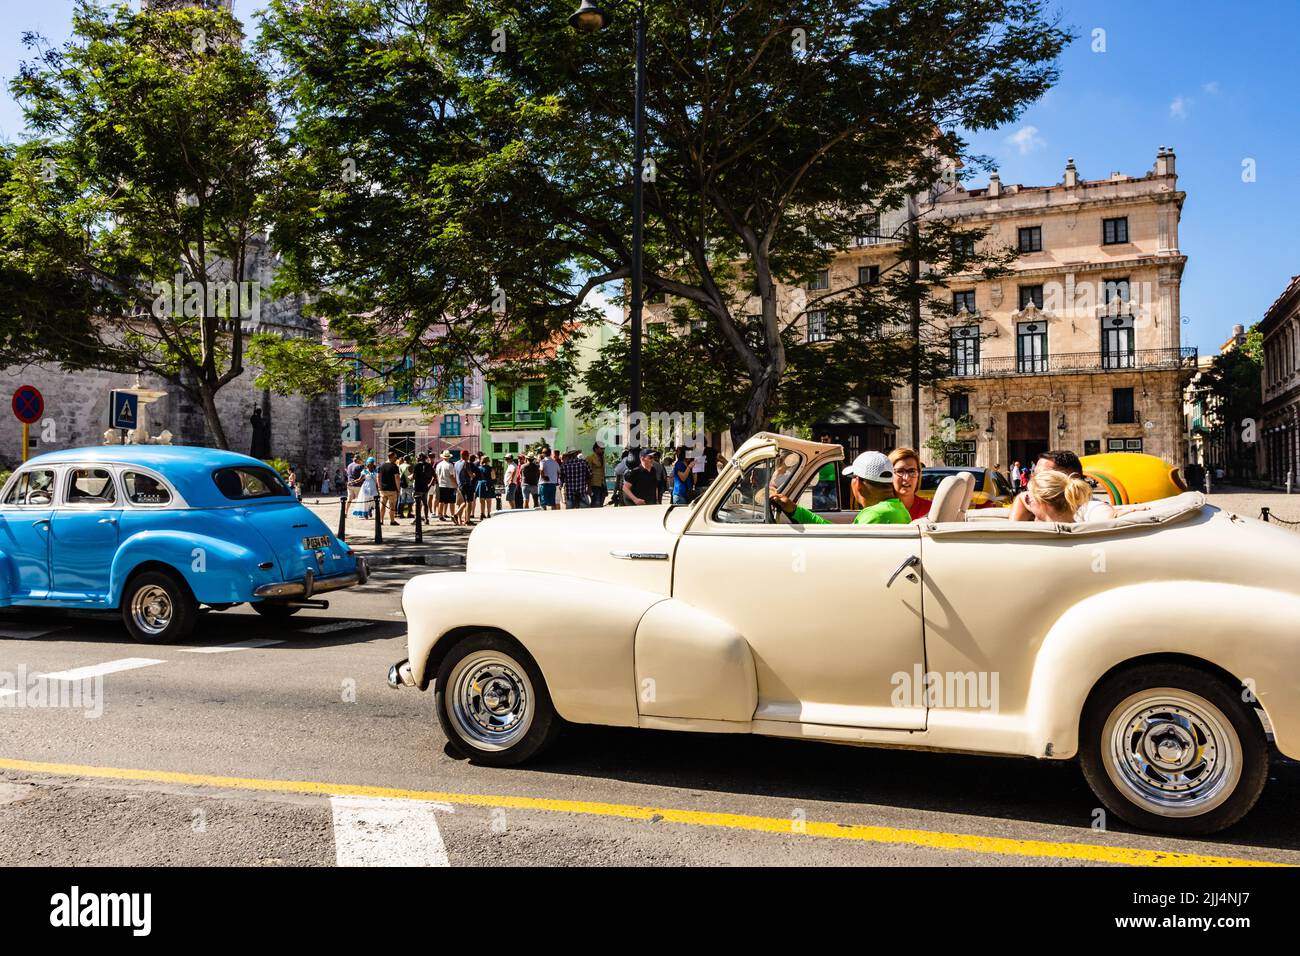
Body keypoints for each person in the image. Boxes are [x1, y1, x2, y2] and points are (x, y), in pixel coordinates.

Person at [770, 450, 910, 525]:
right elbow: (842, 535)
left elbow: (845, 545)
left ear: (858, 482)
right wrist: (795, 510)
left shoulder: (875, 515)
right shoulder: (899, 509)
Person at [1010, 449, 1115, 523]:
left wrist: (1114, 516)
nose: (1034, 479)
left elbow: (1102, 514)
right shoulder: (1037, 503)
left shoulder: (1087, 507)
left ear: (1071, 478)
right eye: (1034, 474)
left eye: (1044, 476)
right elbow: (1022, 497)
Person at [1023, 470, 1094, 524]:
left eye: (1028, 498)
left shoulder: (1031, 538)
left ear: (1043, 502)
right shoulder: (1089, 533)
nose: (1026, 500)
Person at [889, 447, 930, 520]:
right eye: (900, 471)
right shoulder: (879, 511)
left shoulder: (931, 510)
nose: (906, 478)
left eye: (912, 471)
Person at [377, 451, 401, 525]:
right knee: (392, 505)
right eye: (395, 457)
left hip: (383, 489)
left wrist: (379, 486)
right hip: (392, 489)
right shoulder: (394, 466)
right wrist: (398, 488)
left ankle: (381, 520)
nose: (396, 458)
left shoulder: (381, 466)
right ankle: (392, 521)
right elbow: (397, 478)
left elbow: (378, 477)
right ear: (392, 457)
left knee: (382, 505)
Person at [435, 450, 458, 523]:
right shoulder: (450, 465)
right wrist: (456, 484)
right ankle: (452, 515)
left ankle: (440, 515)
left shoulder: (439, 465)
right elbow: (451, 476)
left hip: (441, 484)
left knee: (441, 501)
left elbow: (436, 475)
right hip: (449, 485)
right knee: (451, 502)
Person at [585, 442, 607, 508]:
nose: (603, 450)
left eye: (603, 449)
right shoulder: (590, 458)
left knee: (601, 503)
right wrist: (589, 487)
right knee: (596, 503)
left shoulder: (602, 458)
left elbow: (603, 472)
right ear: (596, 449)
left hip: (602, 483)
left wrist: (605, 485)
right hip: (594, 484)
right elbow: (588, 473)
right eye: (601, 449)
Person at [414, 453, 433, 521]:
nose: (416, 458)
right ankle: (426, 518)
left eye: (417, 457)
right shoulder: (429, 465)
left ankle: (417, 518)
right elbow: (434, 476)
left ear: (420, 457)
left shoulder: (417, 465)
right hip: (425, 487)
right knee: (425, 504)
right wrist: (429, 485)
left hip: (418, 487)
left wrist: (410, 477)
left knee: (417, 504)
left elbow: (414, 476)